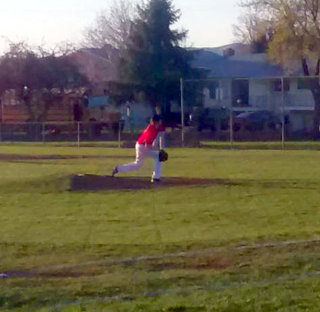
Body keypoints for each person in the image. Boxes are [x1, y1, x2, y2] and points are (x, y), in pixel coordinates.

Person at [112, 114, 165, 182]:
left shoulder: (157, 127)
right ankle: (156, 178)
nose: (161, 122)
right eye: (159, 121)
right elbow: (147, 146)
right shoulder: (151, 129)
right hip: (142, 146)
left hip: (139, 145)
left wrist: (161, 149)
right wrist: (159, 150)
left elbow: (160, 137)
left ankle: (118, 168)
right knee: (158, 156)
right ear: (156, 122)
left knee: (137, 164)